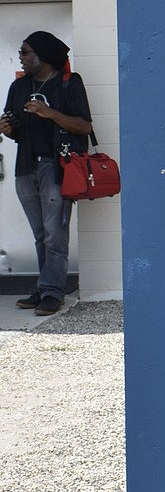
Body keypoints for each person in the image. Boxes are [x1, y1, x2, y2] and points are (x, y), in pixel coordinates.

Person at [0, 33, 92, 315]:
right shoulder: (19, 86)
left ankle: (53, 292)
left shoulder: (69, 83)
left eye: (25, 52)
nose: (21, 56)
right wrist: (8, 129)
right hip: (25, 167)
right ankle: (45, 286)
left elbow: (84, 126)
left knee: (55, 234)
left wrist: (49, 112)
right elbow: (18, 130)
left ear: (43, 54)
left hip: (56, 167)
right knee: (40, 234)